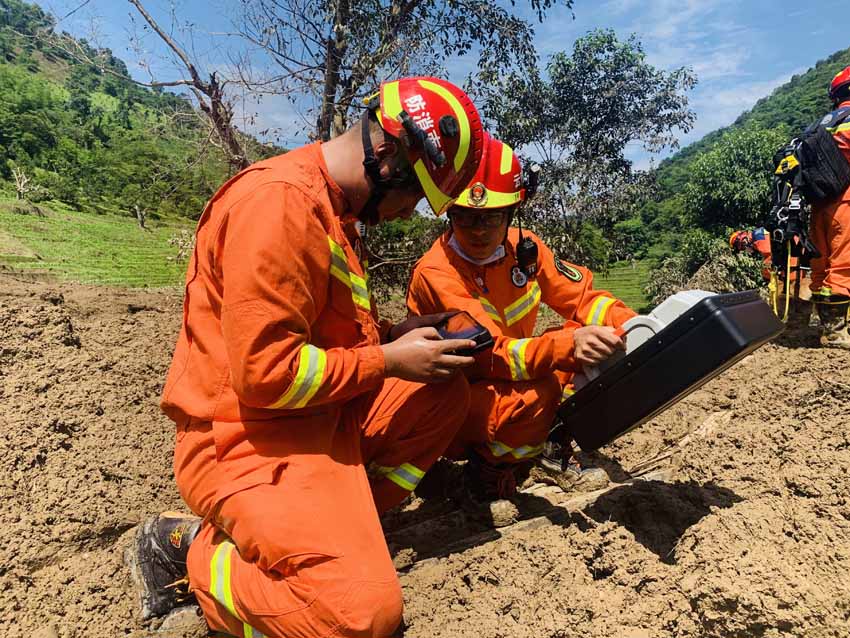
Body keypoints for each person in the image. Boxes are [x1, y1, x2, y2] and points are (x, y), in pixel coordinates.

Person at [127, 77, 486, 638]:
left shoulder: (332, 210)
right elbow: (266, 373)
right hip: (244, 440)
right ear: (390, 152)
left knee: (442, 393)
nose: (406, 213)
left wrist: (399, 335)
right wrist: (388, 362)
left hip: (314, 418)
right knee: (360, 617)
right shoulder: (278, 204)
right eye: (414, 196)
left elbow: (322, 334)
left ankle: (334, 535)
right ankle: (188, 549)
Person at [406, 134, 636, 524]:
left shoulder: (525, 249)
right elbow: (489, 354)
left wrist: (632, 326)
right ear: (450, 214)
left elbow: (583, 299)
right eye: (466, 216)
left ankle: (548, 449)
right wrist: (567, 347)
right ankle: (482, 482)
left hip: (507, 372)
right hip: (453, 395)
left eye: (491, 217)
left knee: (589, 344)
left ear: (511, 214)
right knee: (538, 390)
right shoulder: (437, 273)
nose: (478, 230)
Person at [809, 65, 850, 348]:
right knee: (845, 265)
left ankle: (828, 327)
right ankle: (836, 332)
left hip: (818, 204)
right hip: (846, 202)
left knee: (821, 268)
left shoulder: (823, 122)